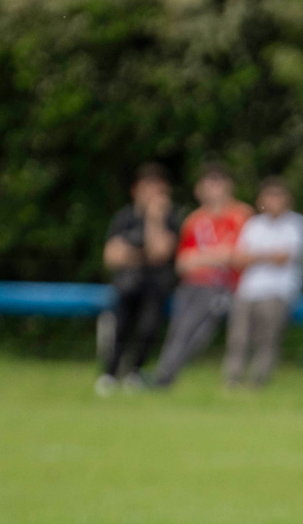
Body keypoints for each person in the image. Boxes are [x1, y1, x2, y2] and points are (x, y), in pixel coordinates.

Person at [151, 163, 252, 388]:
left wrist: (202, 257)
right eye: (208, 184)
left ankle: (164, 376)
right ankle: (163, 375)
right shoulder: (194, 220)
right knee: (179, 330)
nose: (213, 189)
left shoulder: (241, 215)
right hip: (191, 285)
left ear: (229, 186)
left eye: (218, 183)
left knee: (197, 333)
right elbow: (182, 263)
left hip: (221, 287)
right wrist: (214, 256)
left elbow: (237, 256)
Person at [99, 163, 185, 395]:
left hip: (156, 286)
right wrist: (140, 255)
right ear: (135, 190)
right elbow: (111, 256)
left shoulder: (170, 219)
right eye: (148, 188)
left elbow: (159, 253)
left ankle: (135, 373)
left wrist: (153, 219)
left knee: (148, 328)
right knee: (120, 327)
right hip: (127, 285)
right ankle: (109, 375)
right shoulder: (124, 217)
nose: (152, 194)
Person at [226, 177, 303, 389]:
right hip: (248, 290)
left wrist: (254, 257)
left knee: (266, 338)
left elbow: (284, 257)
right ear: (261, 199)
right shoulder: (253, 225)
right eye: (269, 196)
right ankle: (232, 380)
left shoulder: (297, 224)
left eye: (278, 196)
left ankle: (258, 381)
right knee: (238, 338)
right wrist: (267, 256)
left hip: (279, 291)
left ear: (287, 200)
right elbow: (238, 259)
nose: (273, 201)